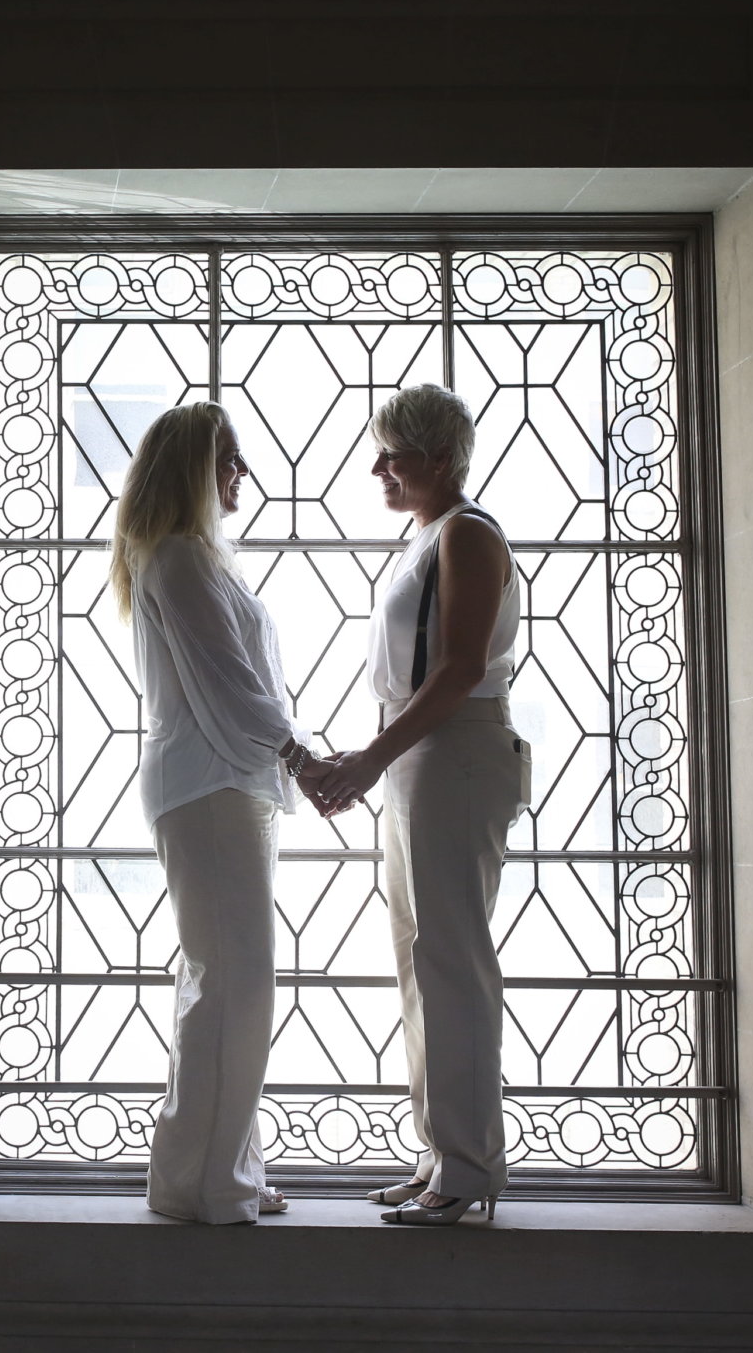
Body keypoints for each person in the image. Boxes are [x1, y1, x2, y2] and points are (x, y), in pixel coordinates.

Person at [311, 384, 531, 1226]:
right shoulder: (425, 537)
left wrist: (369, 757)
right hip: (419, 757)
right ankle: (441, 1154)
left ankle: (470, 1169)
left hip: (457, 750)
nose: (378, 467)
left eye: (392, 453)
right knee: (418, 961)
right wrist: (377, 759)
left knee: (452, 961)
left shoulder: (469, 534)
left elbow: (460, 668)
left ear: (440, 457)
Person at [110, 400, 329, 1224]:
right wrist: (306, 756)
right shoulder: (176, 558)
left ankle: (212, 1170)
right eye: (228, 459)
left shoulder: (195, 558)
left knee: (224, 980)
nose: (243, 474)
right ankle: (203, 1181)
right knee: (233, 982)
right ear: (191, 468)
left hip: (219, 786)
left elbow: (246, 688)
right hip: (206, 789)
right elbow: (232, 687)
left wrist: (300, 752)